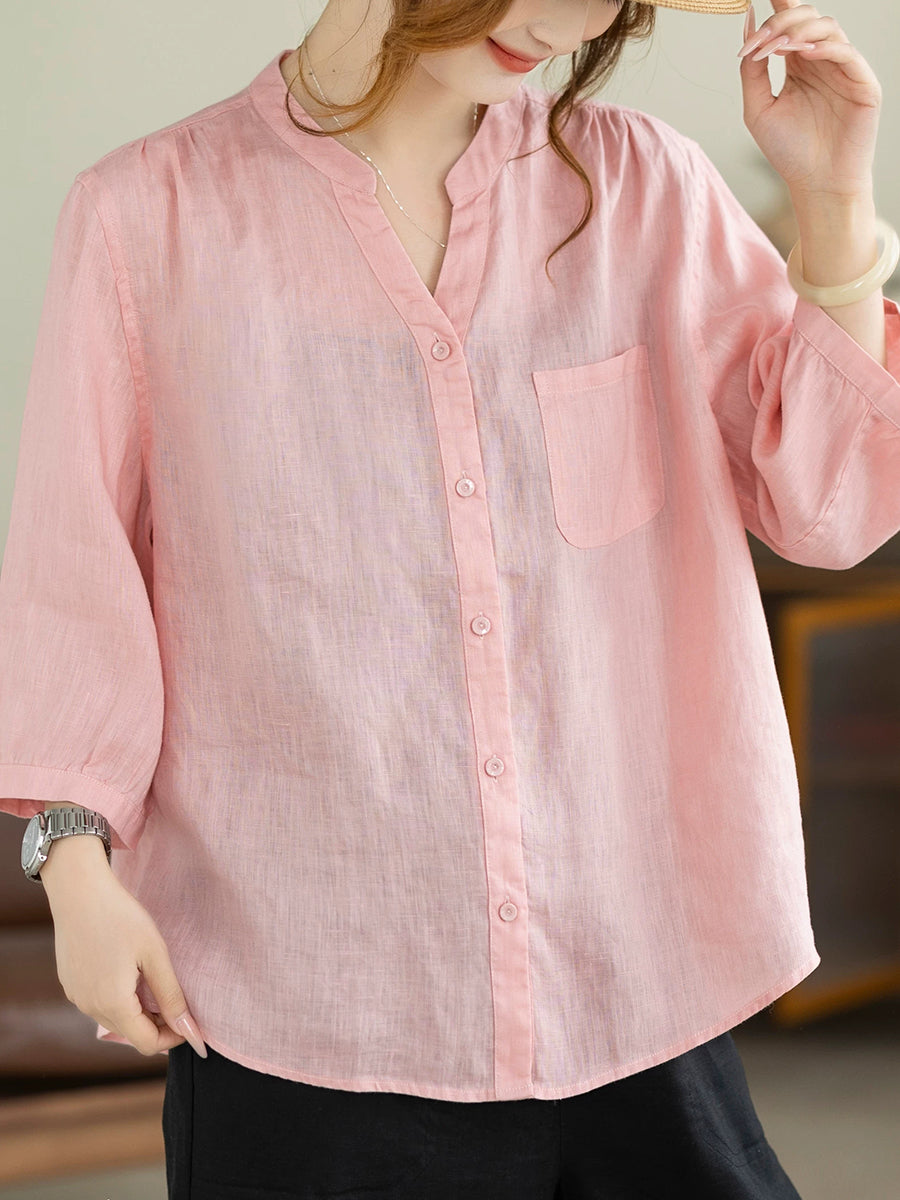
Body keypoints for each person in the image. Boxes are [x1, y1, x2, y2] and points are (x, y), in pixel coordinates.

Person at [2, 0, 899, 1194]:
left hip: (632, 986)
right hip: (309, 1008)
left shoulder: (645, 191)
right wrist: (75, 873)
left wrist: (835, 202)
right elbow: (76, 578)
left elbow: (830, 507)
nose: (568, 19)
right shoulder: (146, 218)